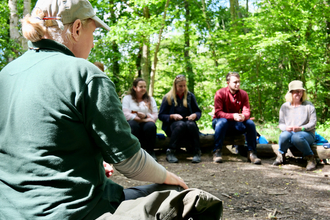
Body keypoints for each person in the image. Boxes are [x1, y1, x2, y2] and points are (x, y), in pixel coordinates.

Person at [0, 0, 189, 219]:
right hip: (73, 211)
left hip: (8, 211)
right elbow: (130, 162)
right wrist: (169, 176)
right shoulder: (85, 74)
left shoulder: (6, 74)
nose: (93, 44)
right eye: (93, 33)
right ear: (77, 28)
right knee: (180, 195)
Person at [212, 72, 261, 164]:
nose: (238, 84)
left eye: (239, 82)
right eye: (235, 82)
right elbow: (218, 113)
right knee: (222, 122)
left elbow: (247, 111)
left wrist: (243, 116)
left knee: (250, 123)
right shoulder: (220, 93)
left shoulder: (243, 94)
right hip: (220, 122)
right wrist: (233, 116)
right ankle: (217, 152)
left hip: (236, 123)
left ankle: (251, 153)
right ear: (228, 82)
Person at [273, 80, 317, 171]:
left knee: (297, 137)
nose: (299, 93)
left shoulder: (309, 106)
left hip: (306, 133)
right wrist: (286, 128)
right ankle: (281, 155)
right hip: (289, 133)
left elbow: (313, 123)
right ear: (290, 92)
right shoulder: (284, 107)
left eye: (301, 91)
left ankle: (310, 158)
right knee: (283, 135)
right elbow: (281, 124)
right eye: (296, 91)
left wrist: (302, 128)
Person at [158, 75, 202, 163]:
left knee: (191, 125)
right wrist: (172, 116)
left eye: (184, 86)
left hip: (188, 123)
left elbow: (198, 112)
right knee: (181, 125)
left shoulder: (190, 96)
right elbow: (161, 115)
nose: (183, 88)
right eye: (180, 86)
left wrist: (194, 115)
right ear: (175, 86)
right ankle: (171, 151)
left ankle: (197, 151)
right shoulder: (168, 97)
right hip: (173, 125)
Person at [122, 78, 158, 161]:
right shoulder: (127, 98)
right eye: (141, 86)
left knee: (151, 126)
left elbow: (155, 116)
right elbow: (125, 114)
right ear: (134, 87)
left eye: (145, 87)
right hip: (133, 122)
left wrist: (145, 116)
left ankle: (150, 151)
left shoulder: (151, 99)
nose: (143, 89)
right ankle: (133, 153)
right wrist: (142, 119)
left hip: (146, 122)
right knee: (133, 125)